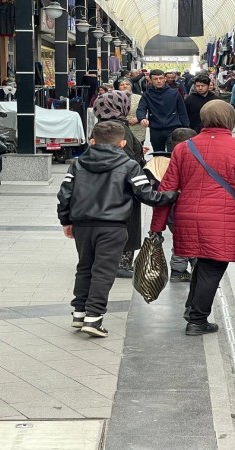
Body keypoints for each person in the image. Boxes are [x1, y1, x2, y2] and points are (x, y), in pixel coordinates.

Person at [150, 101, 235, 335]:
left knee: (203, 265)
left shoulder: (183, 149)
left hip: (186, 216)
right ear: (230, 119)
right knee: (213, 267)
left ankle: (191, 307)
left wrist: (157, 226)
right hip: (221, 219)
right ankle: (197, 320)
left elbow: (166, 190)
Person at [58, 121, 178, 337]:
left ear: (92, 142)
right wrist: (173, 195)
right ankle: (94, 319)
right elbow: (147, 195)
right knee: (104, 271)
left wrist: (66, 220)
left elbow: (65, 193)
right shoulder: (130, 165)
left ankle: (79, 312)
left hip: (83, 225)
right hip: (113, 226)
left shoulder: (77, 164)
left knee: (85, 267)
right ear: (122, 143)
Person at [93, 91, 145, 279]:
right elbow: (127, 157)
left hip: (101, 185)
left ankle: (103, 259)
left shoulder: (100, 126)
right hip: (123, 186)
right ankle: (122, 263)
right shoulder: (120, 128)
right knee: (127, 223)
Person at [143, 128, 199, 282]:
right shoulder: (190, 161)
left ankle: (182, 269)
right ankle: (181, 270)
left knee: (182, 239)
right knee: (191, 241)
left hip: (169, 213)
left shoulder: (157, 163)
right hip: (187, 210)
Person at [137, 69, 189, 153]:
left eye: (161, 78)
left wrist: (186, 128)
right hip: (156, 130)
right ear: (150, 80)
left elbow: (182, 111)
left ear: (165, 79)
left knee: (172, 155)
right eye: (155, 79)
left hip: (173, 128)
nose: (159, 81)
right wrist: (142, 118)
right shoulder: (147, 94)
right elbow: (141, 108)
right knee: (158, 155)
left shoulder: (174, 93)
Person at [117, 78, 146, 145]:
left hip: (137, 127)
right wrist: (125, 120)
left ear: (131, 86)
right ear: (118, 87)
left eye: (127, 84)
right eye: (122, 85)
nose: (125, 86)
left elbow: (146, 110)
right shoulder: (115, 98)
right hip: (121, 128)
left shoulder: (139, 97)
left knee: (138, 150)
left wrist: (139, 118)